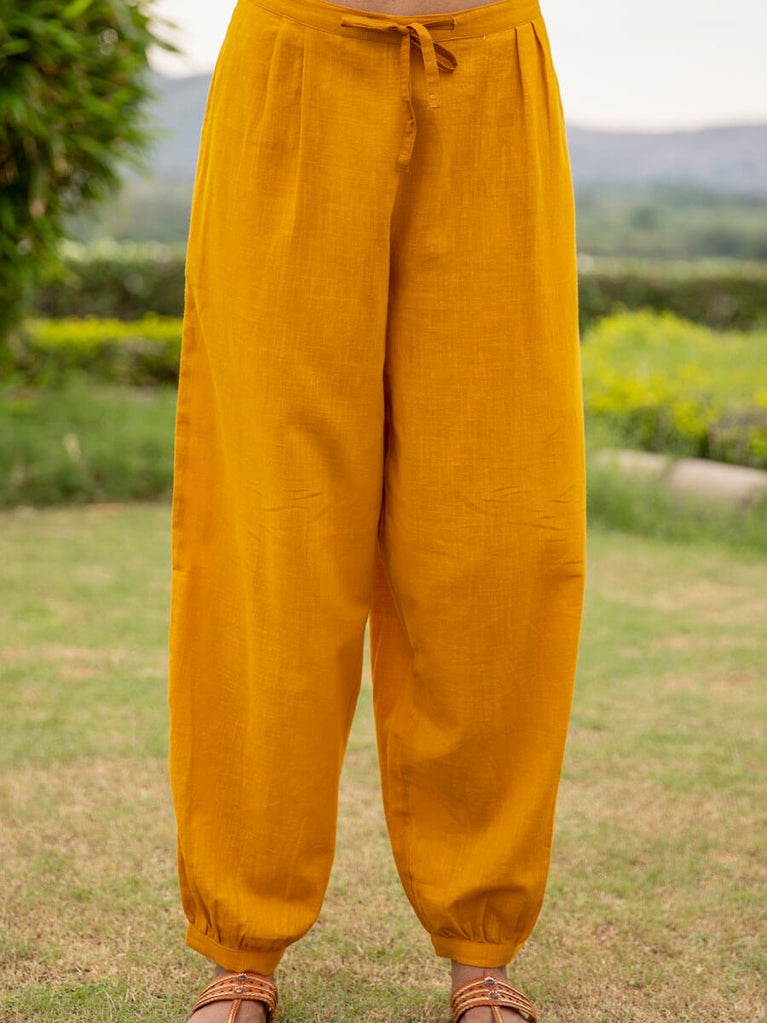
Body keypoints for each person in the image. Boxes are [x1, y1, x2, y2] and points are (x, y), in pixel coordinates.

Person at [166, 0, 586, 1017]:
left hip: (490, 74)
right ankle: (241, 944)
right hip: (294, 67)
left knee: (498, 533)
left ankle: (482, 945)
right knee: (271, 528)